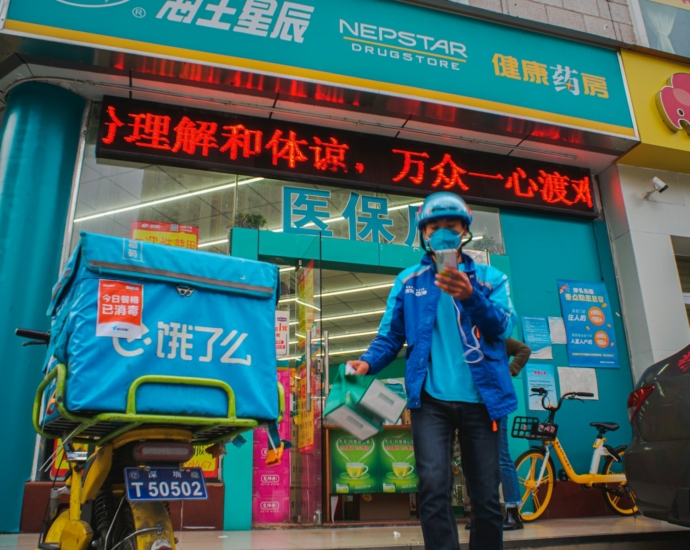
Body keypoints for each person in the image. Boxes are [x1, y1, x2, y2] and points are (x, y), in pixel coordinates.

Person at [348, 192, 518, 550]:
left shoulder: (491, 278)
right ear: (423, 232)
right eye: (434, 226)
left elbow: (503, 328)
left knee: (486, 494)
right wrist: (367, 362)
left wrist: (471, 295)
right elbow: (391, 335)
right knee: (432, 487)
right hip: (430, 401)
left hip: (482, 401)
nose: (442, 233)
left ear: (464, 231)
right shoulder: (409, 281)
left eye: (450, 227)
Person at [466, 338, 531, 531]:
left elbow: (524, 349)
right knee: (473, 461)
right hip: (472, 404)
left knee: (501, 457)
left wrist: (510, 369)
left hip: (495, 403)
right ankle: (480, 514)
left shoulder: (495, 334)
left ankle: (513, 513)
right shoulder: (465, 338)